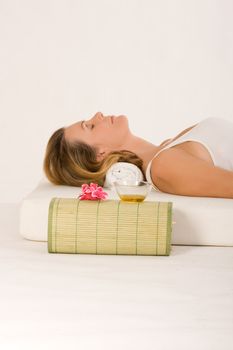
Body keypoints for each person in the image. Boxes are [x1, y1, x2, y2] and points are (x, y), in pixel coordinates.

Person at [43, 112, 233, 199]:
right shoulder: (163, 166)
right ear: (100, 155)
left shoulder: (167, 147)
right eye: (90, 126)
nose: (98, 114)